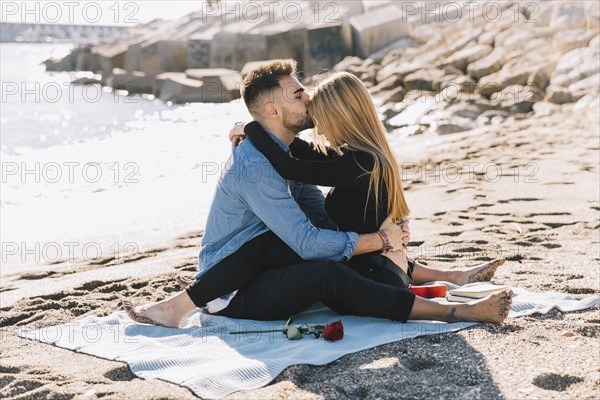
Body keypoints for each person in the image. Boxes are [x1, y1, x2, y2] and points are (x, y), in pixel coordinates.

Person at [122, 60, 511, 328]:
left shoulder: (291, 153)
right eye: (298, 95)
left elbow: (318, 217)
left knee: (327, 253)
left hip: (273, 262)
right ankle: (457, 309)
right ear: (272, 110)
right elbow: (309, 241)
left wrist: (379, 243)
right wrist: (376, 240)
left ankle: (448, 286)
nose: (309, 99)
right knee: (321, 264)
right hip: (232, 289)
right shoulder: (256, 165)